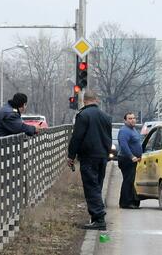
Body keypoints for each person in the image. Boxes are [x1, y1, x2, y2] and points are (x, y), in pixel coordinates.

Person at [67, 90, 112, 230]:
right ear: (96, 100)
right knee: (97, 186)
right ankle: (96, 217)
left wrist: (71, 155)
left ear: (84, 101)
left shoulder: (83, 115)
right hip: (102, 157)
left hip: (88, 156)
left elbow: (77, 137)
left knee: (91, 187)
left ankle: (99, 218)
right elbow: (108, 137)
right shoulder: (105, 116)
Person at [117, 112, 142, 209]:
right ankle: (125, 203)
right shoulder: (124, 131)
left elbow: (136, 144)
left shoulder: (133, 130)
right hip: (126, 159)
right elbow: (124, 145)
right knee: (128, 180)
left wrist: (140, 155)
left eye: (134, 118)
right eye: (130, 118)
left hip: (134, 160)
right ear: (125, 120)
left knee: (130, 180)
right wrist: (132, 156)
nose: (132, 120)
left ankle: (132, 200)